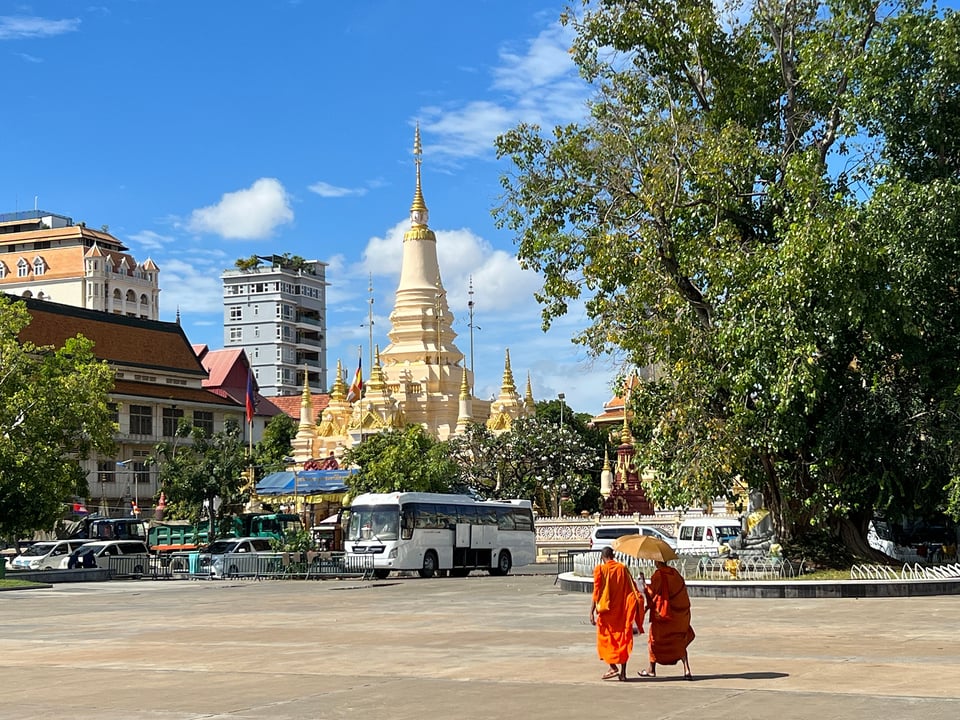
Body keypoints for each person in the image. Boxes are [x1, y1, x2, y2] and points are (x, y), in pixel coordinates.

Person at [590, 546, 644, 681]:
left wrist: (591, 611)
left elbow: (596, 593)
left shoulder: (600, 570)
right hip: (622, 613)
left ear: (602, 557)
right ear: (613, 556)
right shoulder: (623, 568)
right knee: (622, 641)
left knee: (605, 641)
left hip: (607, 614)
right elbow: (632, 589)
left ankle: (613, 667)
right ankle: (623, 673)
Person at [637, 559, 695, 679]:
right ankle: (687, 669)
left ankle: (651, 669)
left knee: (654, 641)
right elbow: (682, 591)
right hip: (679, 615)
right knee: (678, 641)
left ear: (658, 563)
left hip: (663, 615)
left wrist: (642, 583)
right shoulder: (675, 573)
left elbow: (651, 594)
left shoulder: (658, 575)